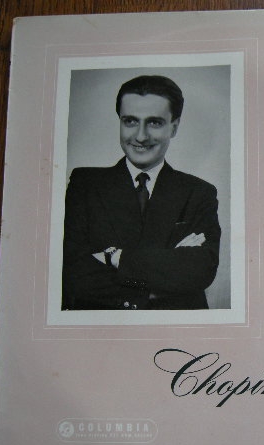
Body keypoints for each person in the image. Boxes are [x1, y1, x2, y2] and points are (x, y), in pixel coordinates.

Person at [62, 75, 221, 310]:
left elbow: (199, 271)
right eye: (130, 121)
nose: (141, 136)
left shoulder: (199, 193)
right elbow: (73, 273)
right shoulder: (85, 184)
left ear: (174, 127)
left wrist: (114, 257)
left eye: (154, 122)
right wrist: (153, 284)